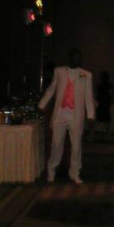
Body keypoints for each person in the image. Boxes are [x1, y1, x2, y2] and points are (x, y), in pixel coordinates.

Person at [38, 48, 95, 184]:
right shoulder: (59, 71)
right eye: (75, 56)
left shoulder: (86, 75)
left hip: (76, 115)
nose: (78, 59)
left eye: (79, 57)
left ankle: (75, 173)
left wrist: (90, 115)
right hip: (60, 114)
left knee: (76, 147)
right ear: (69, 58)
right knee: (56, 144)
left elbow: (88, 96)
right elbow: (51, 90)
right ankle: (51, 170)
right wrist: (41, 105)